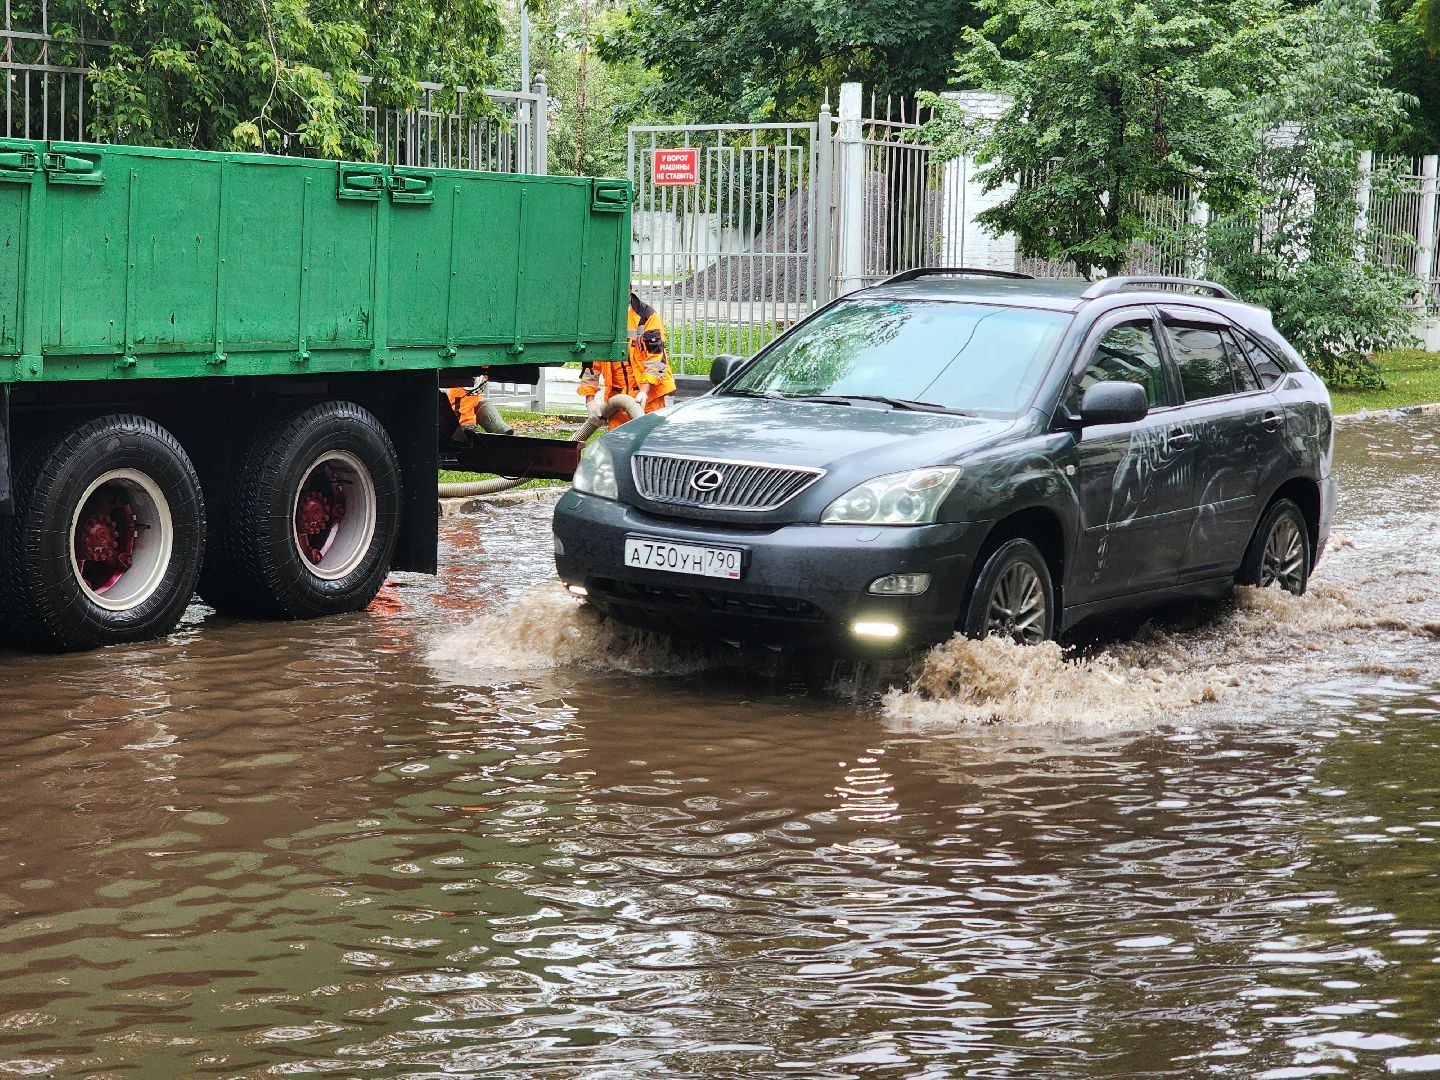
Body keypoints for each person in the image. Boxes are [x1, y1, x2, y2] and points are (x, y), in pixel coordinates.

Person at [577, 290, 676, 430]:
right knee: (617, 441)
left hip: (648, 400)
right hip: (616, 402)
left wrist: (644, 392)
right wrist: (590, 400)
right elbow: (592, 362)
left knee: (647, 439)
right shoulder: (599, 318)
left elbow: (655, 358)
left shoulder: (646, 315)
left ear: (629, 289)